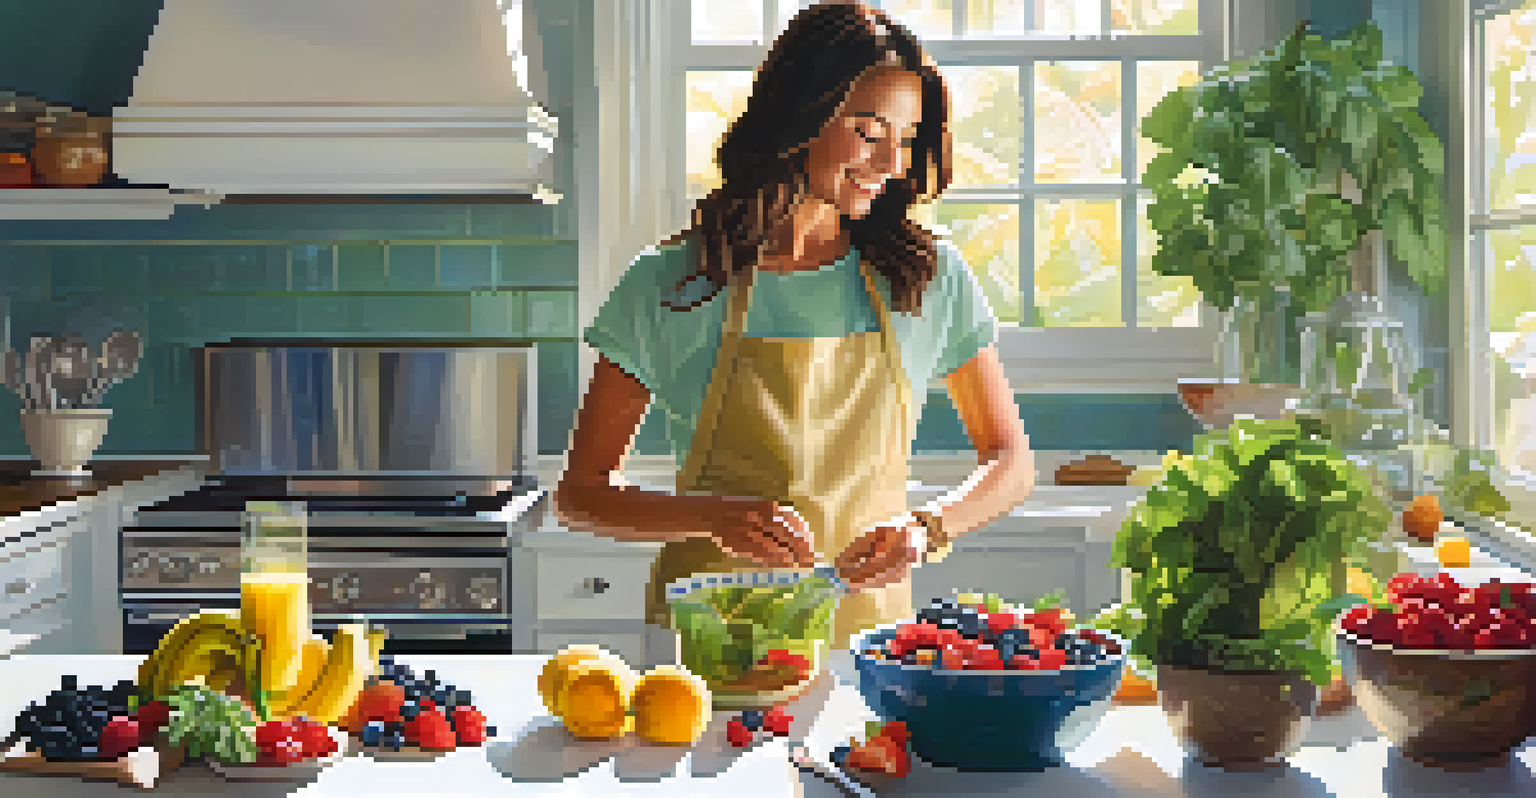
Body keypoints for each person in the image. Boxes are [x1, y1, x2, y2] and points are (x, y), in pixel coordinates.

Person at [554, 2, 1034, 650]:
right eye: (868, 132)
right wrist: (708, 516)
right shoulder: (672, 281)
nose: (893, 161)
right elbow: (581, 494)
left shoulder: (925, 278)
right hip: (712, 648)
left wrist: (927, 528)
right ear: (800, 118)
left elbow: (1011, 461)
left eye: (908, 137)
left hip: (871, 645)